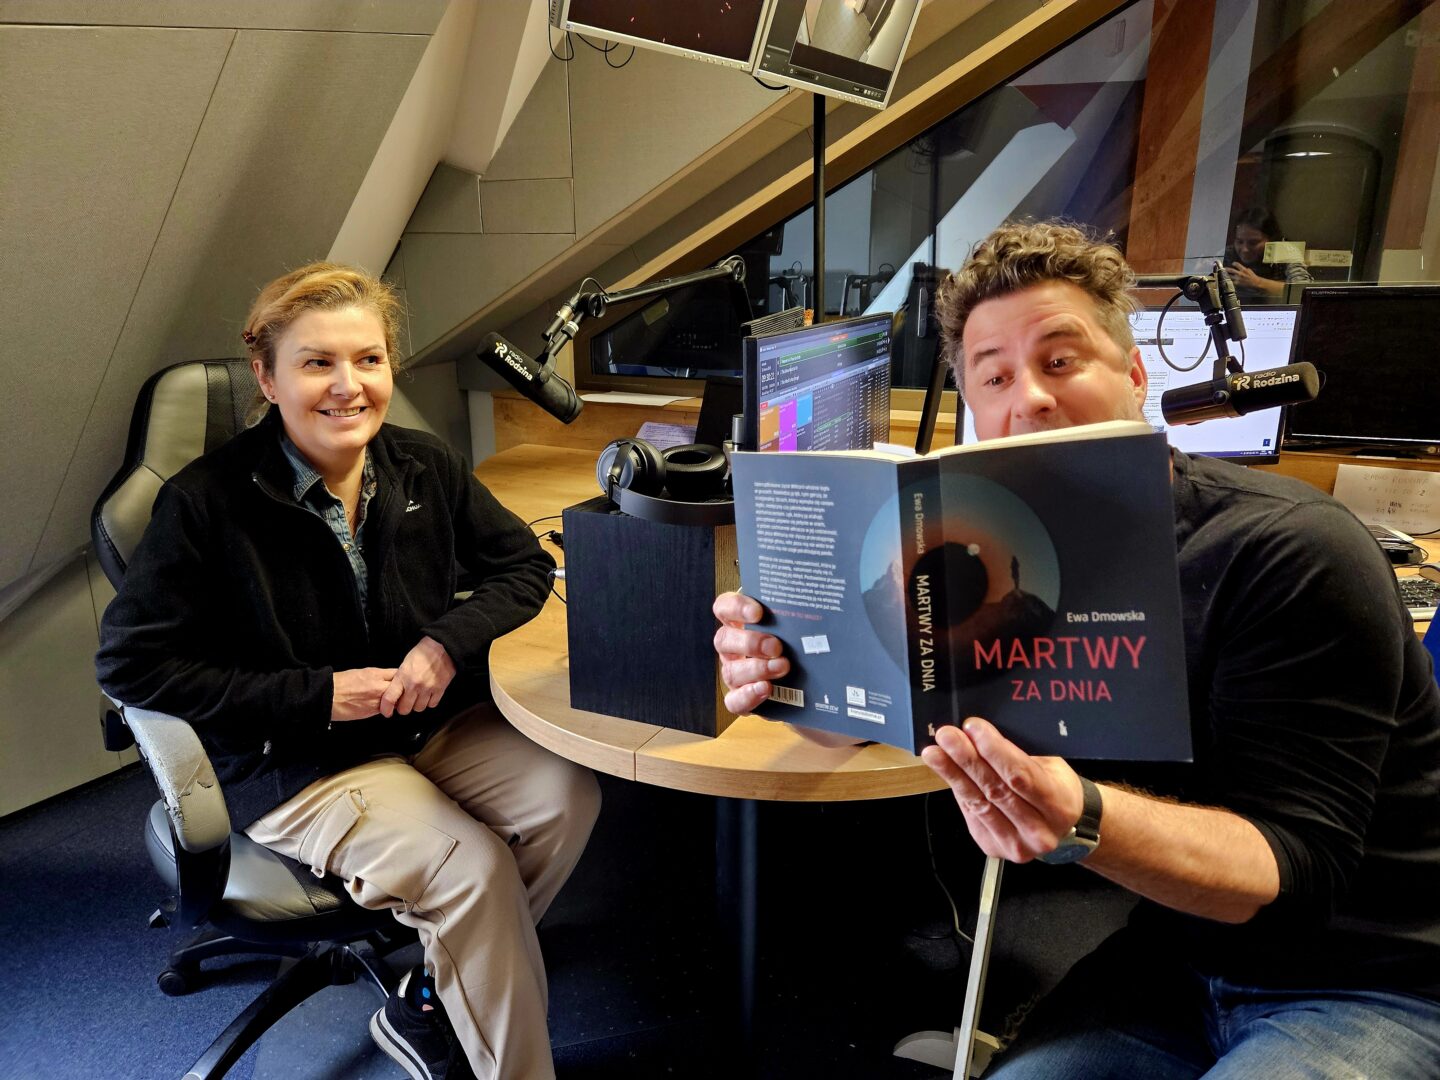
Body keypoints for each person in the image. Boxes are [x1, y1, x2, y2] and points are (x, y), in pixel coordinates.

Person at [713, 222, 1440, 1076]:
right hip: (1171, 958)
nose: (1030, 398)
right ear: (975, 414)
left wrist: (1081, 817)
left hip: (1368, 977)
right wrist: (786, 672)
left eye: (1060, 361)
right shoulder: (991, 561)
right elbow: (860, 721)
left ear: (1134, 376)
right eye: (995, 377)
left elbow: (1296, 874)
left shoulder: (1289, 552)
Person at [96, 263, 600, 1080]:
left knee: (566, 796)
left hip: (424, 730)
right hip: (300, 760)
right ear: (268, 378)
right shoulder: (204, 503)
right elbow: (131, 664)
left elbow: (523, 566)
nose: (348, 385)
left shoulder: (422, 465)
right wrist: (321, 695)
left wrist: (445, 644)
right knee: (470, 869)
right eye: (317, 363)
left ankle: (430, 1000)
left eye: (368, 359)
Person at [1224, 206, 1312, 303]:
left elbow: (1303, 291)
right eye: (1239, 241)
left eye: (1253, 243)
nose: (1245, 249)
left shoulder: (1285, 250)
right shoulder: (1228, 255)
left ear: (1272, 240)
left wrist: (1257, 283)